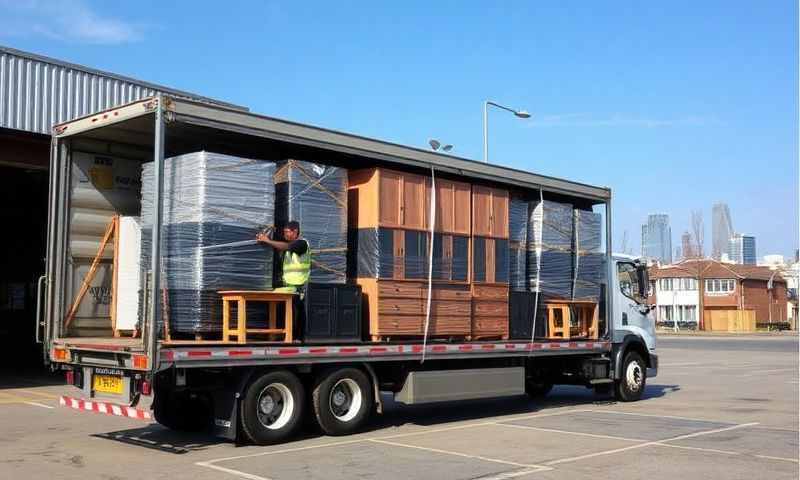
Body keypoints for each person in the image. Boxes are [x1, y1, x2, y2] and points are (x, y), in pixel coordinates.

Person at [256, 221, 311, 339]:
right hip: (288, 287)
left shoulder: (302, 244)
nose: (285, 234)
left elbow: (287, 246)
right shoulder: (288, 244)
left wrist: (267, 240)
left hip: (298, 286)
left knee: (295, 314)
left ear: (295, 232)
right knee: (285, 313)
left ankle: (295, 338)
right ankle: (285, 336)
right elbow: (281, 243)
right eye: (284, 232)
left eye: (287, 232)